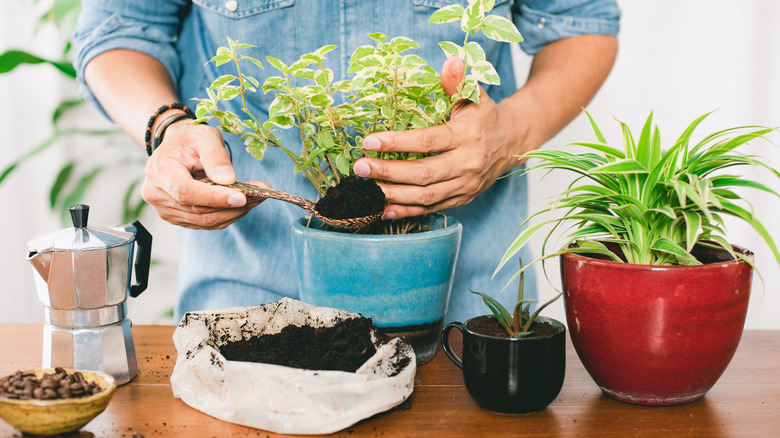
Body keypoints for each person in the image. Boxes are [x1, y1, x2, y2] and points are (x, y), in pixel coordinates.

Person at [73, 0, 620, 323]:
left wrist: (510, 134)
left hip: (464, 299)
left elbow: (579, 22)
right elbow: (120, 28)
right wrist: (168, 127)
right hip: (251, 298)